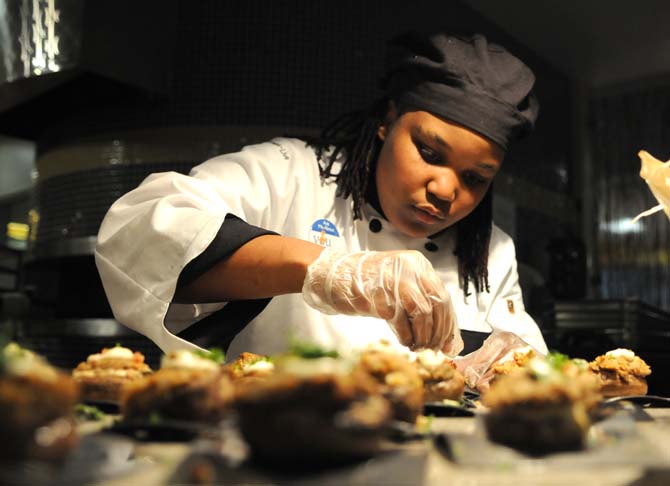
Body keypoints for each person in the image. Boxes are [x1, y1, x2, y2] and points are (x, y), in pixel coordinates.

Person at [95, 31, 548, 362]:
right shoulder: (291, 174)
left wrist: (508, 363)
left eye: (475, 178)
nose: (446, 190)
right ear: (388, 121)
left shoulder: (492, 249)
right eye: (428, 152)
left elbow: (524, 363)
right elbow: (142, 227)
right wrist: (324, 269)